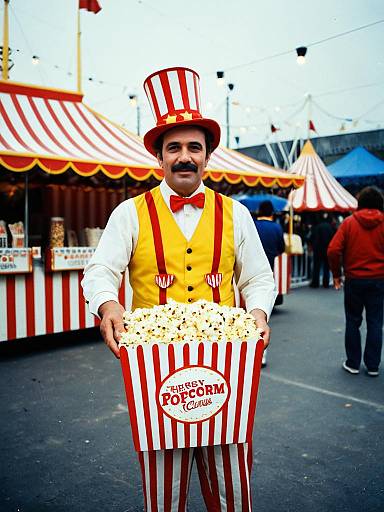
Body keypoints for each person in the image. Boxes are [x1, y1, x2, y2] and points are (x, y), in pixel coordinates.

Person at [82, 67, 276, 511]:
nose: (185, 157)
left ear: (208, 156)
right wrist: (108, 303)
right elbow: (99, 271)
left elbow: (259, 279)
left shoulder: (236, 214)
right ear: (159, 157)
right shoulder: (130, 214)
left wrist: (259, 312)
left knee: (231, 482)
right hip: (155, 374)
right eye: (174, 148)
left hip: (227, 369)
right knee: (163, 489)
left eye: (194, 147)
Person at [327, 186, 384, 377]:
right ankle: (373, 365)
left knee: (353, 321)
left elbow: (333, 250)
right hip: (378, 280)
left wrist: (336, 274)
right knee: (375, 322)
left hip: (354, 280)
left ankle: (353, 362)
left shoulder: (349, 223)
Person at [254, 200, 285, 367]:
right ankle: (261, 354)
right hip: (266, 275)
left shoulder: (252, 225)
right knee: (262, 317)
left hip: (244, 276)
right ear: (272, 212)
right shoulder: (277, 228)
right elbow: (281, 249)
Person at [309, 213, 335, 288]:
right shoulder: (330, 227)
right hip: (327, 249)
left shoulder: (317, 227)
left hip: (317, 249)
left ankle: (315, 283)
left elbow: (312, 238)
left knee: (316, 266)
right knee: (326, 266)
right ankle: (325, 283)